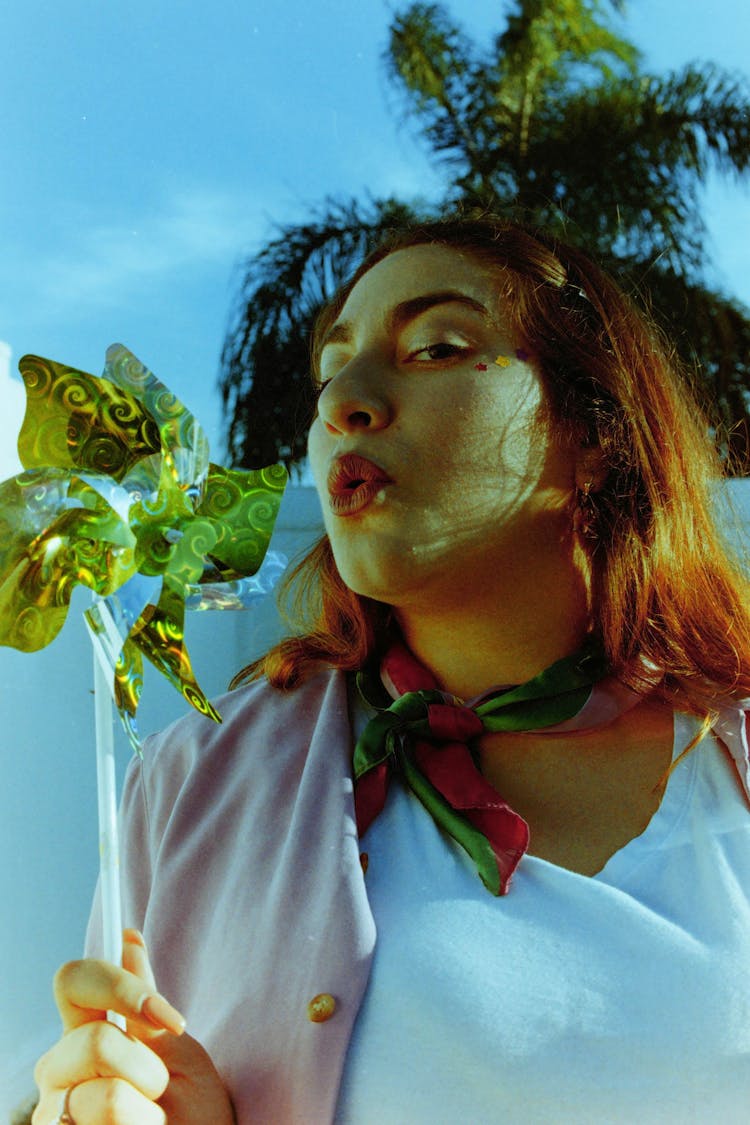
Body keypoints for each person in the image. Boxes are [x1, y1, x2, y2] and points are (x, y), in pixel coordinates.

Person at [32, 216, 750, 1124]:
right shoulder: (188, 780)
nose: (346, 400)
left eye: (436, 346)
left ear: (595, 433)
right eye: (330, 371)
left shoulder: (735, 759)